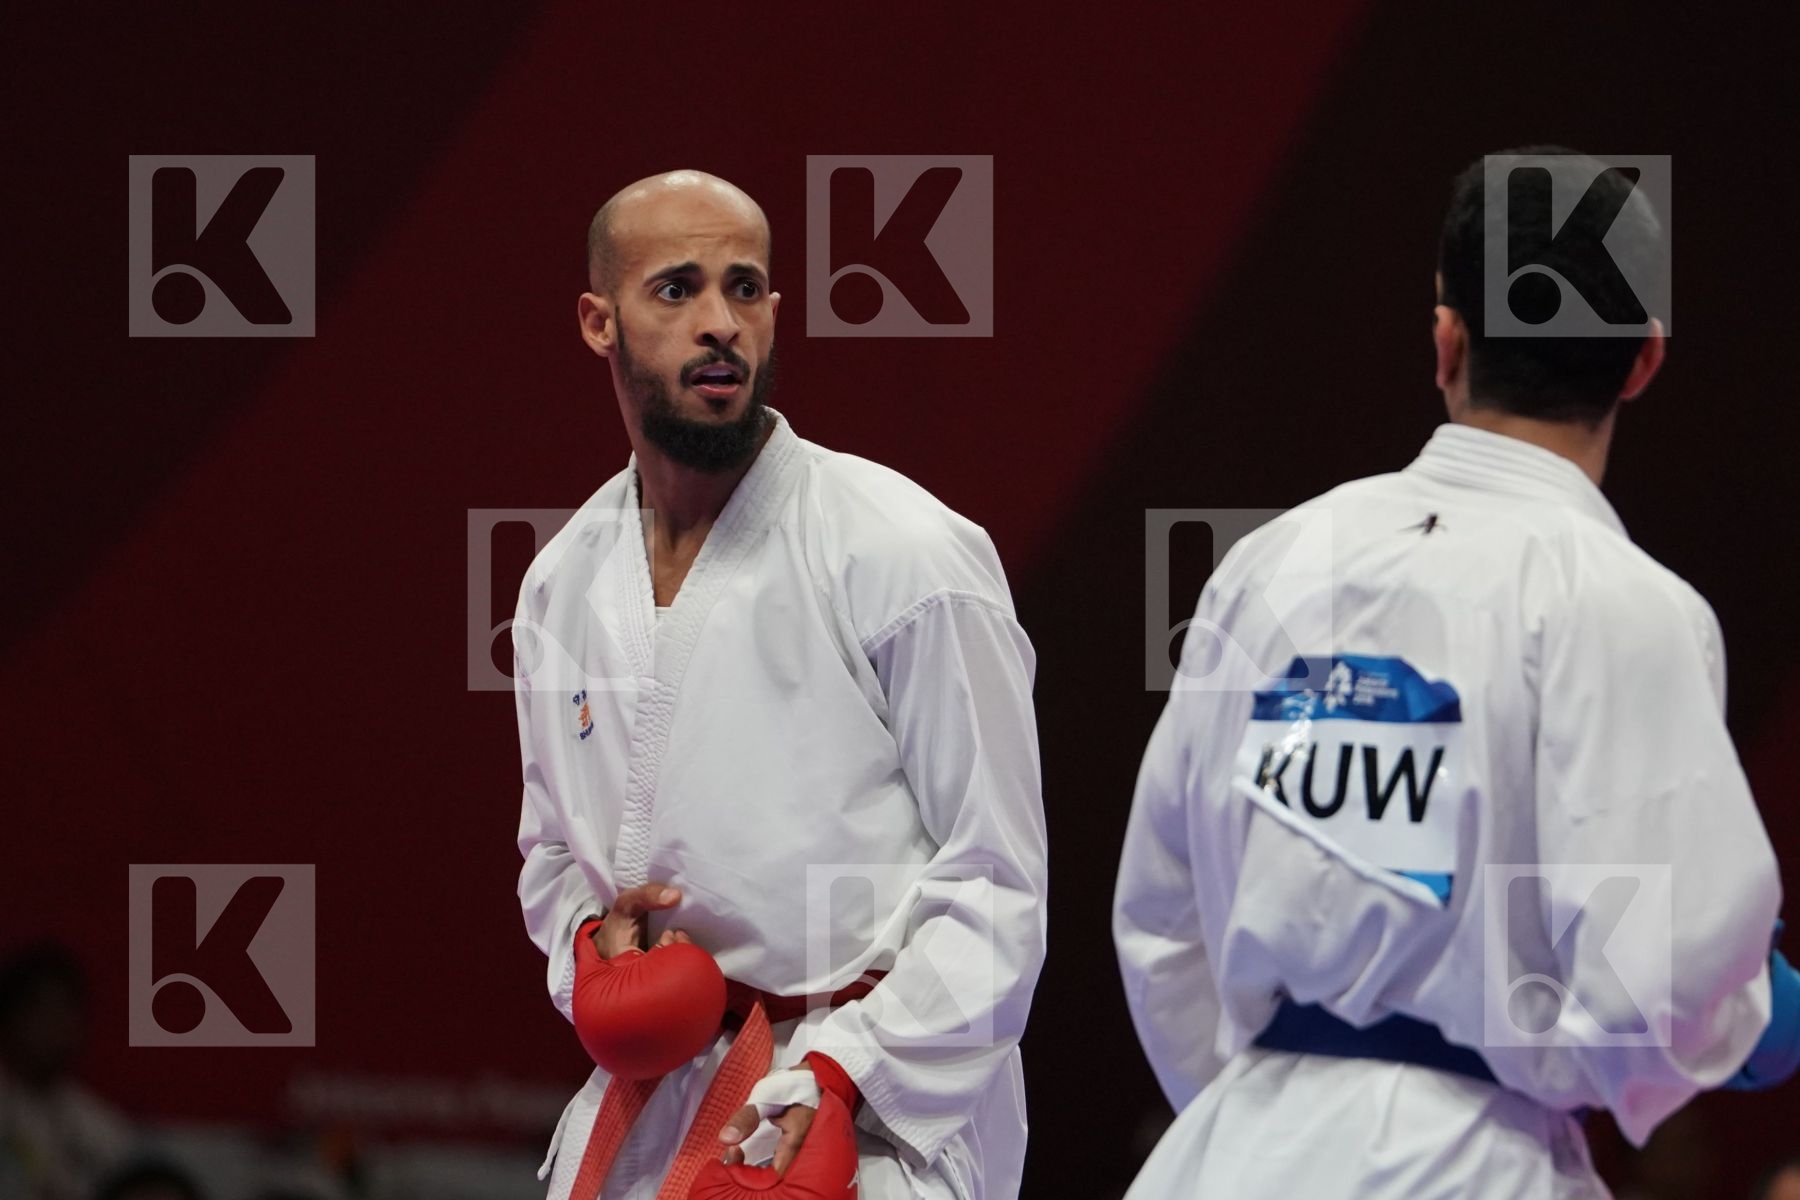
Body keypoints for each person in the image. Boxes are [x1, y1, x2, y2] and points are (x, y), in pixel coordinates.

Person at [1112, 148, 1797, 1198]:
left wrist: (1270, 1116)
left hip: (1228, 1160)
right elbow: (1666, 975)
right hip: (1474, 1166)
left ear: (1446, 341)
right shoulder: (1629, 607)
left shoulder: (1271, 567)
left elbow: (1164, 919)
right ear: (1644, 361)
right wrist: (1748, 1016)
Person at [512, 170, 1047, 1200]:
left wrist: (847, 1074)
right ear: (598, 321)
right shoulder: (560, 582)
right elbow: (548, 853)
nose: (720, 323)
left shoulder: (902, 553)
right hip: (652, 1100)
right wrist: (591, 948)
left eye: (745, 289)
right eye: (676, 290)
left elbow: (1000, 885)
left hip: (870, 1110)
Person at [0, 940, 135, 1200]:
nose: (56, 1027)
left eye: (66, 1012)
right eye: (41, 1010)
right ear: (9, 1017)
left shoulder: (100, 1125)